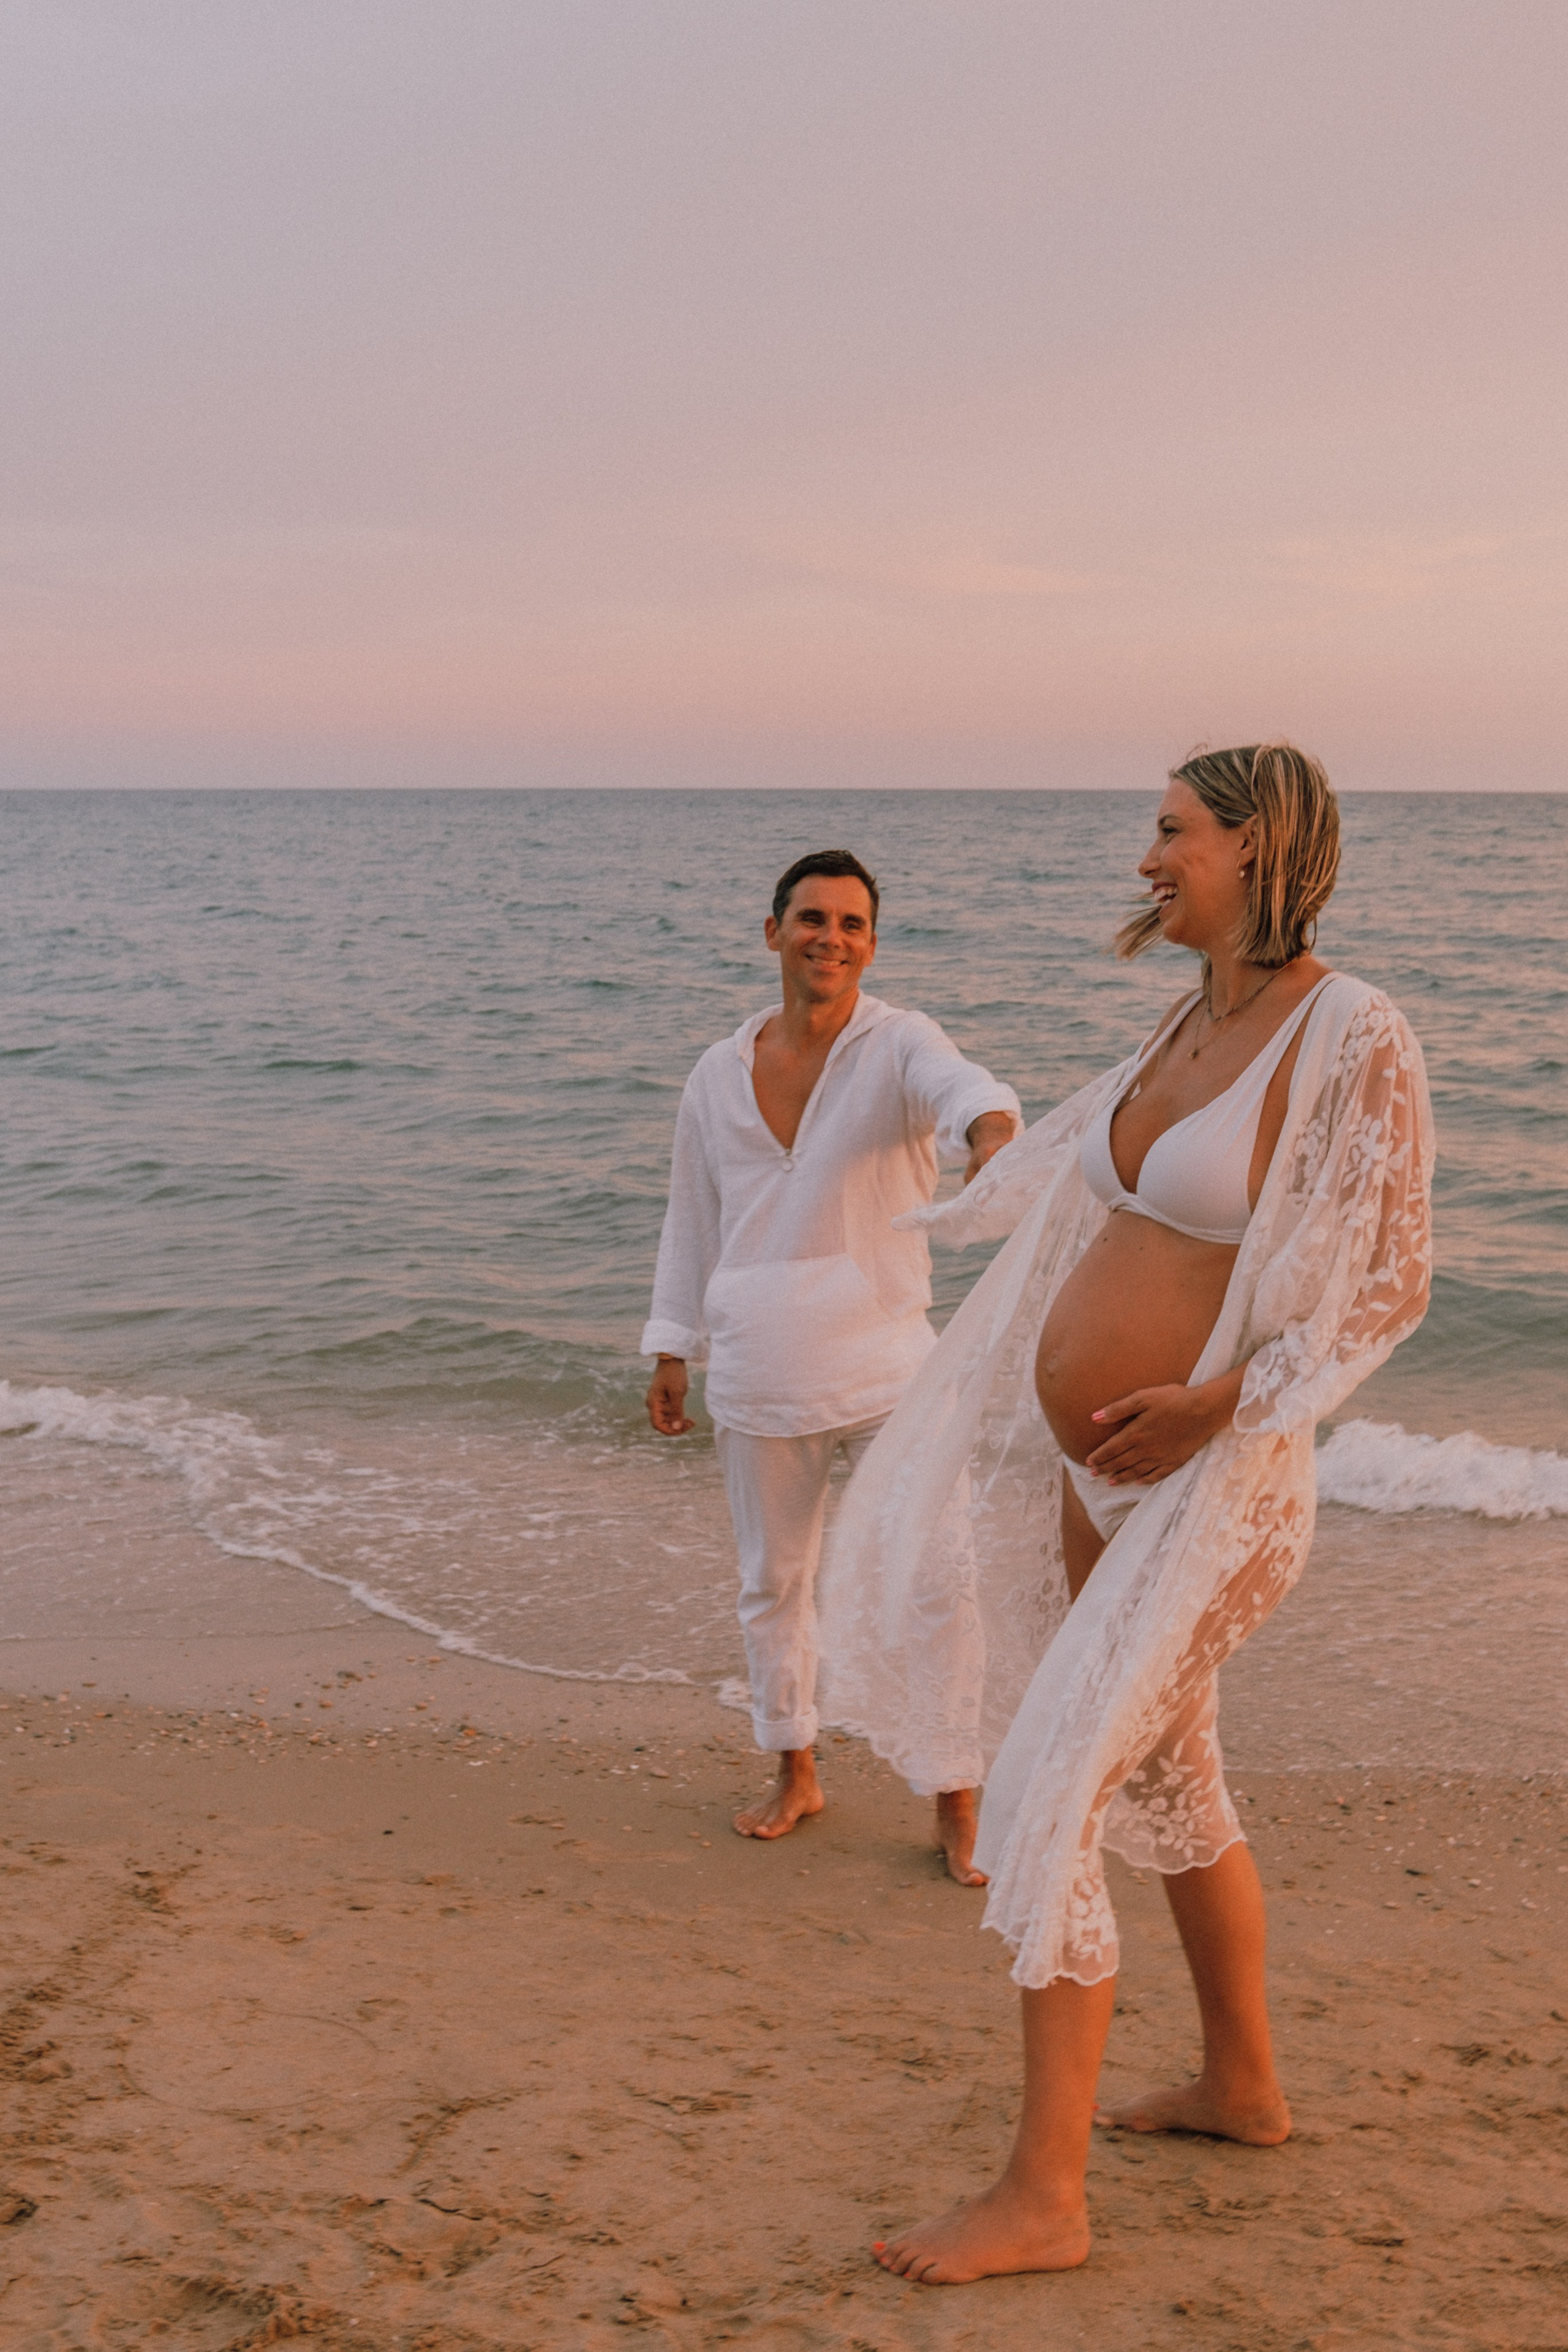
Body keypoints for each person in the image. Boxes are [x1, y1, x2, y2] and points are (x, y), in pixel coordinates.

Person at [813, 745, 1434, 2283]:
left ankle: (1043, 2197)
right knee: (1171, 1781)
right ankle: (1242, 2088)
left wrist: (1215, 1403)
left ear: (1254, 844)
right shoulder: (1186, 1015)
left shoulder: (1351, 1030)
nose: (1144, 857)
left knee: (1045, 1794)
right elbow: (1088, 1191)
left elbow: (1386, 1279)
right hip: (1095, 1483)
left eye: (1169, 833)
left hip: (1216, 1487)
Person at [642, 848, 1022, 1879]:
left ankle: (954, 1796)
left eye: (853, 924)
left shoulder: (898, 1046)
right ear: (774, 933)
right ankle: (796, 1769)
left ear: (872, 943)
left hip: (891, 1370)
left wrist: (992, 1138)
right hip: (758, 1371)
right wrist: (672, 1344)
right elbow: (693, 1215)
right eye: (812, 919)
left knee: (937, 1580)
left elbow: (967, 1090)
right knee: (775, 1584)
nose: (832, 939)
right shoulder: (715, 1074)